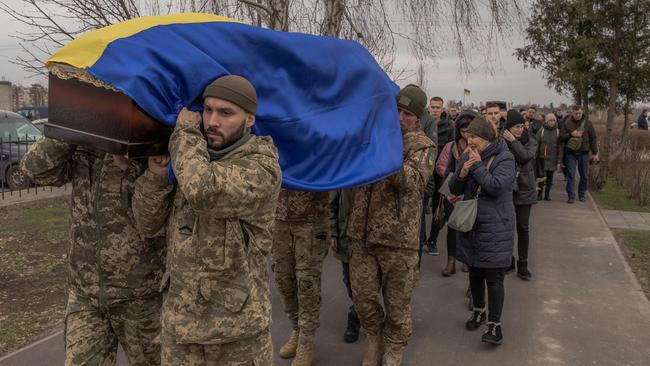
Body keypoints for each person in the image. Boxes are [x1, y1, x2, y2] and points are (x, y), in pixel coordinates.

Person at [131, 75, 282, 365]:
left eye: (226, 113)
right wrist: (156, 177)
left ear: (249, 119)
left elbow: (203, 190)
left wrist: (185, 130)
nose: (212, 121)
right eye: (208, 110)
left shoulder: (261, 166)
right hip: (181, 330)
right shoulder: (192, 159)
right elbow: (147, 224)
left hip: (235, 338)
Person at [21, 140, 165, 364]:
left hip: (142, 294)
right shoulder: (81, 139)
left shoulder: (148, 133)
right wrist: (67, 130)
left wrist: (130, 166)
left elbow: (155, 214)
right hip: (85, 292)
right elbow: (34, 169)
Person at [348, 85, 435, 366]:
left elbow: (413, 182)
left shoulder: (424, 146)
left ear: (417, 117)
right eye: (396, 110)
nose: (399, 117)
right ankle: (375, 339)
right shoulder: (373, 136)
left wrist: (386, 148)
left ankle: (394, 348)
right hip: (362, 233)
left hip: (399, 239)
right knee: (361, 296)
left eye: (407, 114)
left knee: (397, 303)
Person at [448, 115, 515, 346]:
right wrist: (462, 173)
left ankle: (495, 327)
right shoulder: (468, 154)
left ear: (487, 138)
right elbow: (454, 187)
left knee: (494, 278)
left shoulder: (505, 157)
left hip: (496, 227)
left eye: (474, 136)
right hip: (472, 224)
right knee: (474, 272)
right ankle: (478, 311)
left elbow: (496, 187)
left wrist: (475, 167)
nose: (470, 141)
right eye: (468, 137)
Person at [273, 189, 330, 366]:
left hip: (310, 220)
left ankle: (307, 340)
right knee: (283, 279)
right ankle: (297, 328)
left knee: (307, 283)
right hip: (279, 217)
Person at [435, 110, 476, 276]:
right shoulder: (451, 146)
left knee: (468, 227)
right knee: (452, 226)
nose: (466, 135)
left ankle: (466, 259)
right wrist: (452, 185)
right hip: (452, 191)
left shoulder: (479, 147)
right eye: (463, 131)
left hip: (470, 193)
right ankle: (450, 261)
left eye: (469, 131)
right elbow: (442, 168)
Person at [503, 110, 538, 281]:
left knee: (523, 228)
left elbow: (525, 157)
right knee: (507, 228)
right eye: (516, 127)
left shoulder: (530, 140)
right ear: (508, 127)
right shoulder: (502, 142)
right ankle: (507, 261)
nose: (520, 130)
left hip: (525, 190)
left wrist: (513, 141)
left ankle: (523, 264)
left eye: (522, 126)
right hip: (508, 190)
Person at [424, 96, 454, 256]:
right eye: (433, 107)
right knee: (422, 203)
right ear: (429, 108)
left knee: (439, 207)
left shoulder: (449, 126)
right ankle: (421, 237)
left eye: (438, 107)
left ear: (442, 109)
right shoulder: (424, 123)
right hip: (425, 168)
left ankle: (432, 240)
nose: (435, 110)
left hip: (441, 172)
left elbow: (452, 149)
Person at [329, 189, 360, 343]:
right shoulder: (344, 172)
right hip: (345, 237)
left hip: (366, 240)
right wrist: (333, 232)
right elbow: (332, 205)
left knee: (363, 284)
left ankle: (355, 319)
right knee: (348, 280)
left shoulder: (371, 171)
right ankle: (359, 310)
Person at [559, 105, 598, 203]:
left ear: (582, 112)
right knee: (571, 175)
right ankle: (571, 196)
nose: (578, 115)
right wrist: (571, 134)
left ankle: (582, 194)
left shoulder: (587, 124)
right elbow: (561, 137)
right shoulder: (567, 123)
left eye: (579, 113)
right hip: (570, 152)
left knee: (584, 175)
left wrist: (594, 153)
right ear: (572, 113)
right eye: (576, 113)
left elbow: (593, 138)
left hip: (583, 152)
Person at [536, 113, 562, 201]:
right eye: (550, 120)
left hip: (553, 159)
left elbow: (560, 146)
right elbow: (536, 143)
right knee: (541, 177)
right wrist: (536, 156)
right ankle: (539, 194)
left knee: (550, 178)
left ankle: (547, 194)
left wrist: (559, 160)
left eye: (554, 120)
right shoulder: (542, 130)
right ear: (546, 121)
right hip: (542, 158)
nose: (552, 122)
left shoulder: (558, 131)